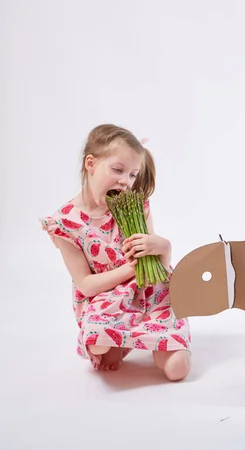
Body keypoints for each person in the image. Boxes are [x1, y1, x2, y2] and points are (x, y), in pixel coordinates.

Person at [39, 124, 191, 381]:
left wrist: (164, 247)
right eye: (118, 170)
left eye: (132, 174)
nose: (126, 181)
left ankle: (141, 338)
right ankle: (126, 339)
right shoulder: (65, 223)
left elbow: (158, 263)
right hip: (107, 299)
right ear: (91, 163)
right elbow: (86, 286)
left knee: (178, 370)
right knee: (97, 342)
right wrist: (130, 268)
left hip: (152, 293)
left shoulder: (136, 204)